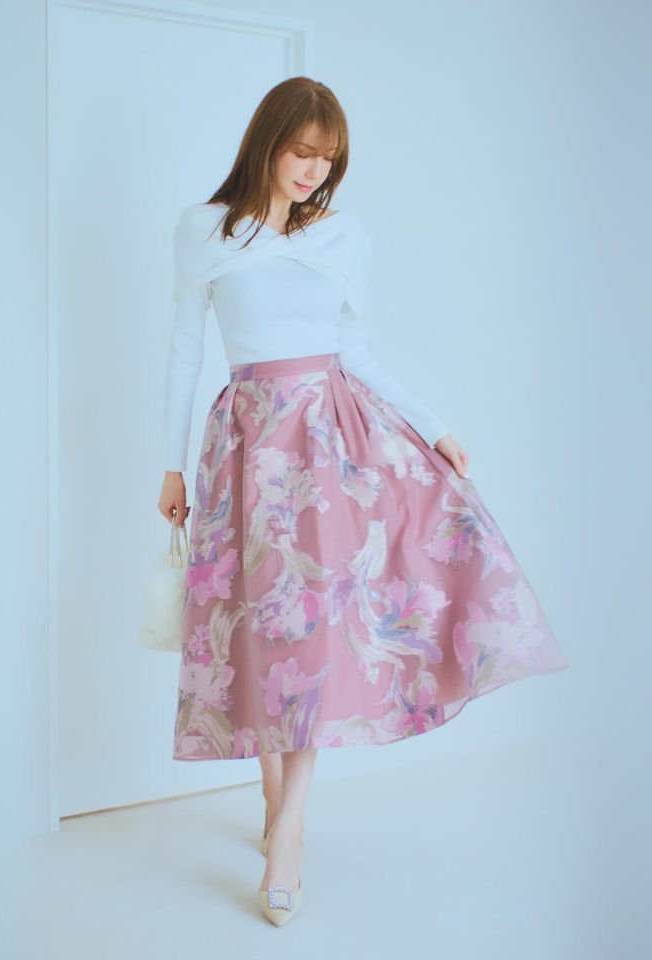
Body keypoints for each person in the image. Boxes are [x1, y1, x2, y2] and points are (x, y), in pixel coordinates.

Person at [156, 76, 568, 926]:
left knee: (310, 635)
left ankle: (290, 833)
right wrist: (170, 469)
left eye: (328, 158)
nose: (314, 170)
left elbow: (357, 350)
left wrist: (436, 427)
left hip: (331, 441)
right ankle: (272, 796)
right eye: (302, 152)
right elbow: (184, 352)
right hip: (245, 443)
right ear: (268, 141)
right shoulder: (204, 228)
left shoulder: (343, 236)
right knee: (259, 626)